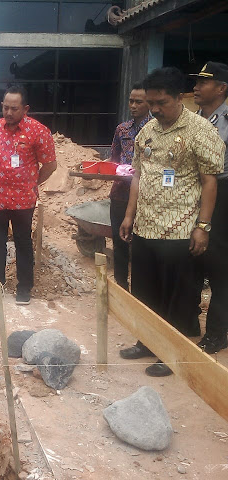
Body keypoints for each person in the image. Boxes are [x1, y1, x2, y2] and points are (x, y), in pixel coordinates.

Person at [119, 67, 225, 376]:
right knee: (145, 290)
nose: (155, 109)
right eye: (151, 103)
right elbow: (138, 174)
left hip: (180, 228)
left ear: (180, 98)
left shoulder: (201, 131)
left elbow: (210, 182)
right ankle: (148, 342)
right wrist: (129, 215)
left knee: (177, 295)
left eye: (161, 103)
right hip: (145, 226)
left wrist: (203, 227)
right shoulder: (148, 131)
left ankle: (173, 351)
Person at [0, 84, 57, 304]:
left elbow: (50, 164)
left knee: (23, 242)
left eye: (14, 108)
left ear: (25, 109)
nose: (9, 113)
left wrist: (32, 183)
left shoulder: (38, 131)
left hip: (23, 201)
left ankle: (24, 288)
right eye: (5, 107)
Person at [191, 61, 228, 353]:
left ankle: (216, 334)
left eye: (204, 82)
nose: (196, 87)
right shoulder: (194, 118)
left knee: (218, 268)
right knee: (192, 262)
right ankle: (189, 322)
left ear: (221, 88)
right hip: (193, 192)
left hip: (222, 195)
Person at [108, 83, 151, 290]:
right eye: (131, 101)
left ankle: (141, 293)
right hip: (120, 194)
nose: (133, 105)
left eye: (138, 102)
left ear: (149, 103)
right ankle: (121, 286)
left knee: (142, 246)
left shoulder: (156, 129)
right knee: (119, 243)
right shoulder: (122, 129)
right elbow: (114, 159)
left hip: (146, 196)